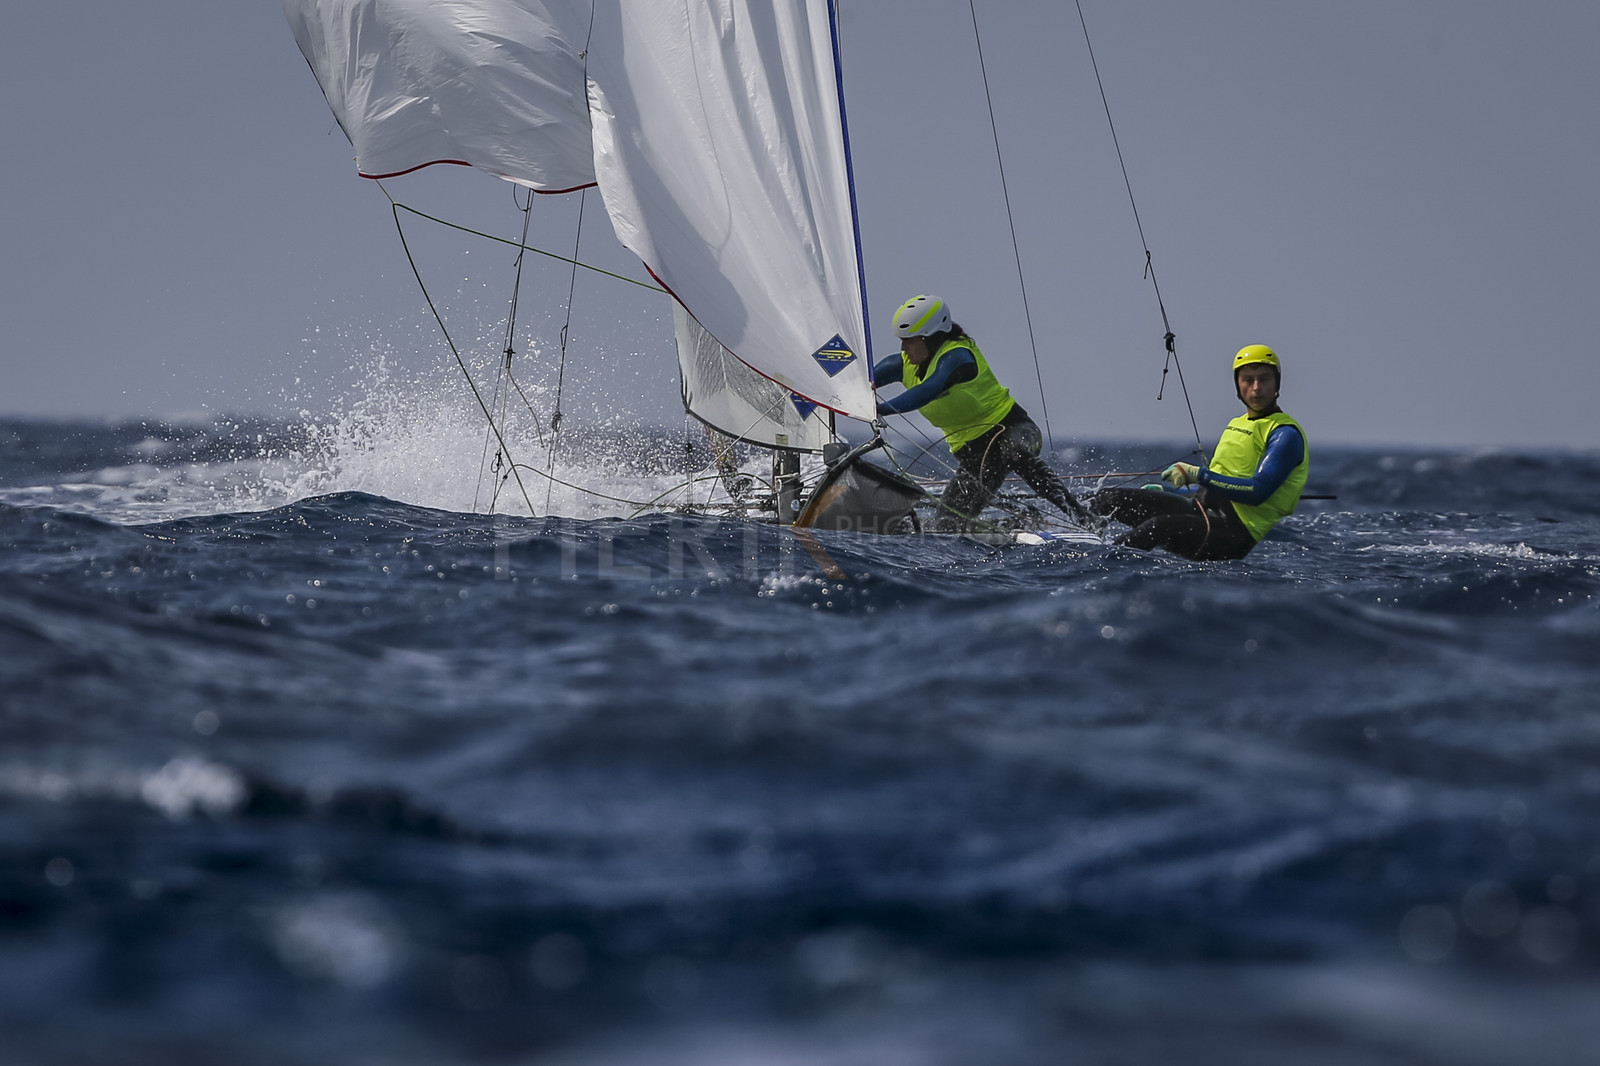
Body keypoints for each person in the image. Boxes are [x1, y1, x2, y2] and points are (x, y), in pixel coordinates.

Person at [873, 294, 1090, 530]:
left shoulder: (958, 357)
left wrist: (881, 409)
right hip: (975, 458)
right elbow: (860, 380)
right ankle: (1011, 525)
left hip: (1013, 429)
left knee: (1014, 451)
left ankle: (1081, 516)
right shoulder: (902, 365)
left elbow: (929, 389)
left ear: (932, 337)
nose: (904, 347)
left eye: (910, 340)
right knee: (945, 527)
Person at [1088, 344, 1308, 560]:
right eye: (1248, 380)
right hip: (1201, 510)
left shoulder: (1285, 434)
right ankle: (1072, 532)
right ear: (1237, 384)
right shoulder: (1237, 423)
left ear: (1277, 382)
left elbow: (1257, 491)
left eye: (1264, 379)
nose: (1256, 388)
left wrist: (1197, 474)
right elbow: (1217, 488)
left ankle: (1096, 564)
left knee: (1157, 527)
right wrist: (1171, 493)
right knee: (1107, 499)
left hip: (1235, 534)